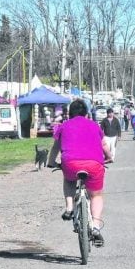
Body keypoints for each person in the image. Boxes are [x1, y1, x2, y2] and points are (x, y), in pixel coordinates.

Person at [47, 98, 113, 247]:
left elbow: (55, 147)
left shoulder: (63, 126)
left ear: (69, 113)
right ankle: (95, 226)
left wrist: (51, 162)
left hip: (71, 163)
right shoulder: (94, 125)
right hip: (94, 164)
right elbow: (103, 145)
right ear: (86, 113)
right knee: (96, 195)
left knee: (69, 178)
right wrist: (109, 157)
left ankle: (69, 207)